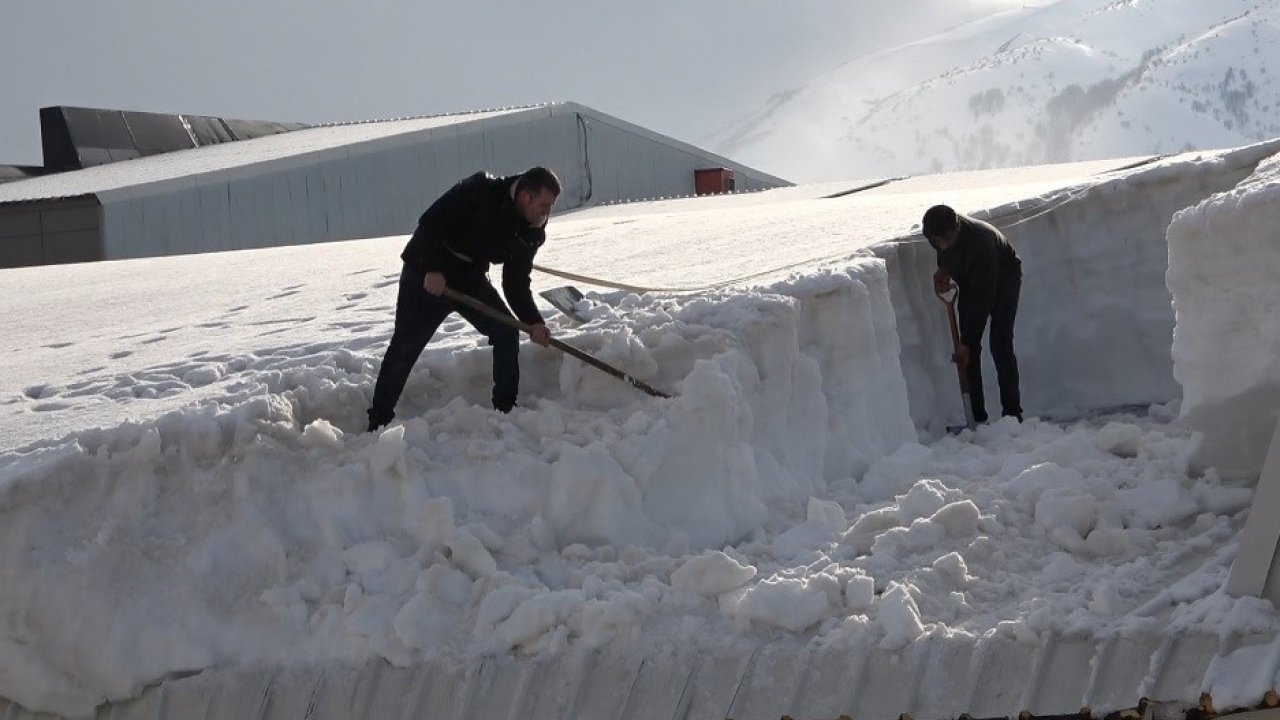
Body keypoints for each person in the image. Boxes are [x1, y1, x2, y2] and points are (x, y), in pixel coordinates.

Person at [367, 167, 561, 432]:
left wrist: (533, 322)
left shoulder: (532, 227)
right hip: (427, 271)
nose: (546, 213)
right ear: (525, 196)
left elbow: (515, 283)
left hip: (470, 276)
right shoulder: (480, 190)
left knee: (506, 331)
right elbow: (431, 223)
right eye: (544, 205)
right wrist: (432, 267)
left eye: (550, 207)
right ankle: (378, 421)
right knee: (406, 346)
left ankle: (505, 412)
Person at [922, 204, 1023, 423]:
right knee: (968, 355)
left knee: (1000, 343)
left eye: (946, 239)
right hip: (970, 281)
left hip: (1004, 278)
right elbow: (949, 255)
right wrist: (945, 271)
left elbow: (982, 298)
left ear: (956, 229)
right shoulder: (939, 237)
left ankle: (1013, 414)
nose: (941, 245)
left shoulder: (981, 243)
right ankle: (977, 417)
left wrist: (967, 341)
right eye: (936, 241)